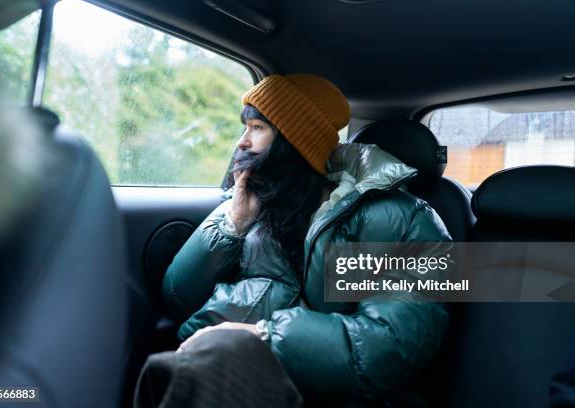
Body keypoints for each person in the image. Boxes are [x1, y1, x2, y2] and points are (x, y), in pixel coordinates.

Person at [135, 74, 452, 407]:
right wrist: (233, 225)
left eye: (257, 128)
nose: (241, 143)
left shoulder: (407, 220)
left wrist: (263, 337)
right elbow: (178, 296)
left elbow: (391, 348)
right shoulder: (255, 203)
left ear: (294, 142)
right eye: (245, 128)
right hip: (239, 376)